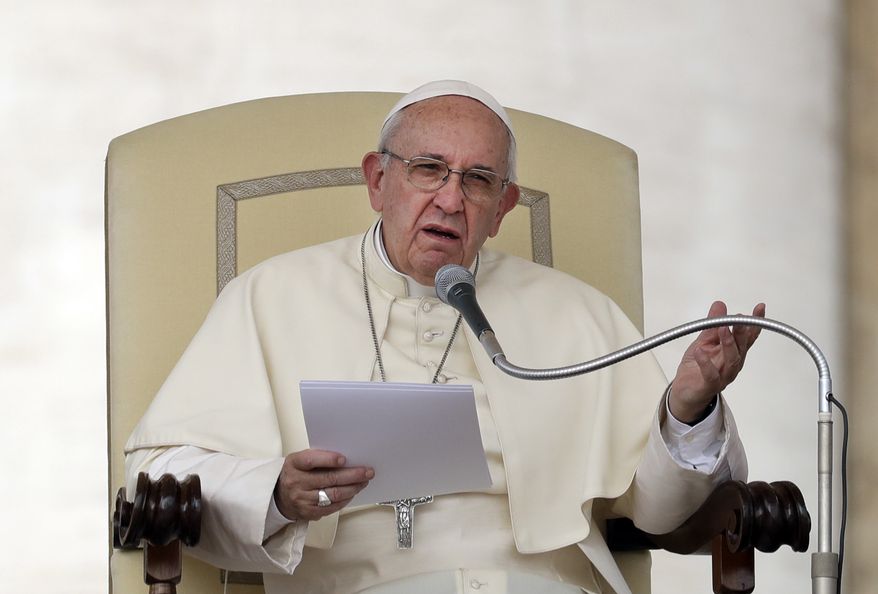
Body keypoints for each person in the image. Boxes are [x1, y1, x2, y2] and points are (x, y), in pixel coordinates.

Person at [125, 80, 764, 594]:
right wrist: (275, 492)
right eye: (429, 170)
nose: (451, 200)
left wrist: (687, 409)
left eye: (478, 180)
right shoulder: (269, 297)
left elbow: (658, 513)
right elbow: (158, 476)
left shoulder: (577, 313)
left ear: (504, 207)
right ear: (378, 181)